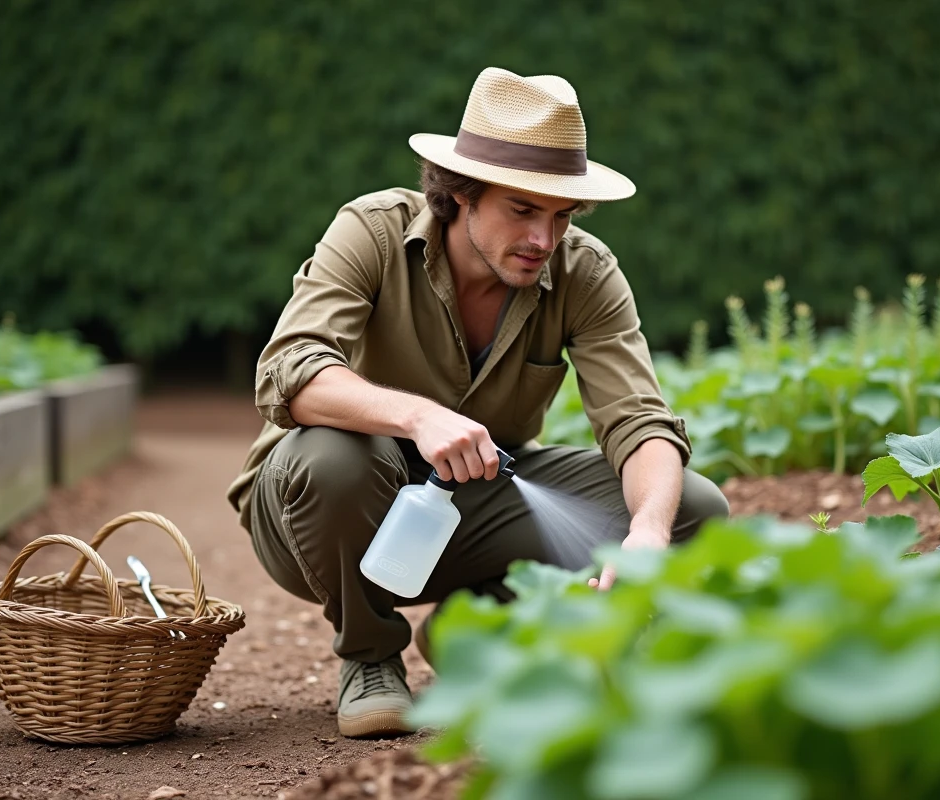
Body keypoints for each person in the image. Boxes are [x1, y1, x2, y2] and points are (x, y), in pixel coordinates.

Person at [225, 67, 729, 739]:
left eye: (561, 215)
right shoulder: (372, 232)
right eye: (522, 210)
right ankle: (370, 657)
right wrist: (418, 417)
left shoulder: (585, 272)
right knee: (334, 458)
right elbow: (288, 371)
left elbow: (639, 422)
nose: (544, 240)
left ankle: (475, 628)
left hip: (471, 506)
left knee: (692, 507)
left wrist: (648, 535)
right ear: (461, 192)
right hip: (317, 515)